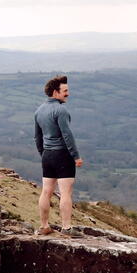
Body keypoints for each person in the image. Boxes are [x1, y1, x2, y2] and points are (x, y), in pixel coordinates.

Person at [34, 74, 84, 235]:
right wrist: (76, 156)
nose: (68, 93)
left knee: (46, 191)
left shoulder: (39, 110)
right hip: (62, 155)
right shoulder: (61, 110)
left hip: (47, 155)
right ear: (56, 92)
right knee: (65, 193)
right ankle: (67, 227)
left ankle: (43, 226)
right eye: (65, 91)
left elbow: (37, 137)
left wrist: (44, 154)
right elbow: (67, 135)